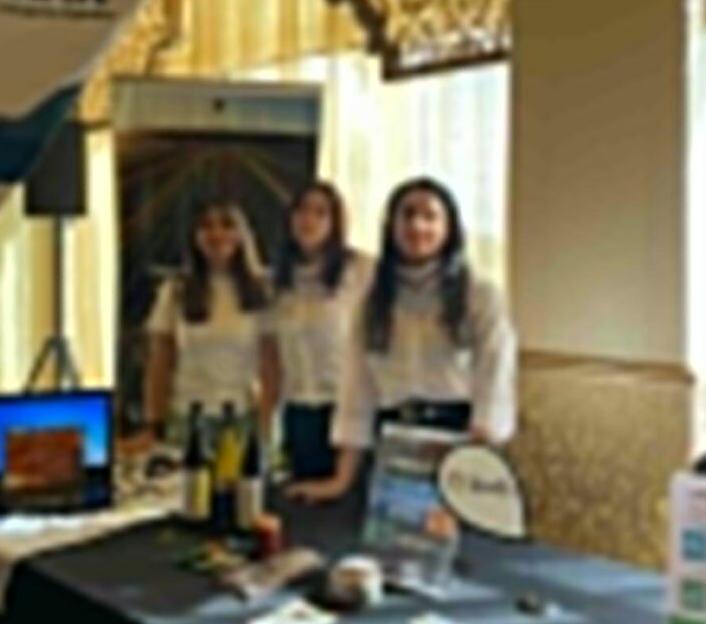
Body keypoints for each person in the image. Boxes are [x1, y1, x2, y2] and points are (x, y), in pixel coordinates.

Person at [288, 176, 517, 502]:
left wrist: (476, 462)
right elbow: (357, 391)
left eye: (430, 216)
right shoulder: (372, 301)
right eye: (407, 215)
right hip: (392, 446)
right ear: (391, 227)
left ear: (449, 228)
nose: (417, 226)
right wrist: (340, 481)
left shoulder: (480, 295)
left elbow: (494, 377)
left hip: (460, 442)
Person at [261, 181, 373, 481]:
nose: (308, 220)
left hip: (346, 407)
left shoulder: (361, 270)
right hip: (298, 411)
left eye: (321, 213)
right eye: (301, 211)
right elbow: (272, 358)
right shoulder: (278, 280)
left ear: (335, 222)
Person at [137, 198, 269, 445]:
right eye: (207, 226)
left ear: (242, 234)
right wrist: (153, 422)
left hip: (242, 417)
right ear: (195, 237)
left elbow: (271, 363)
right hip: (188, 416)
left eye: (227, 225)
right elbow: (160, 363)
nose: (216, 234)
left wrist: (267, 422)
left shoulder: (263, 291)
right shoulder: (175, 291)